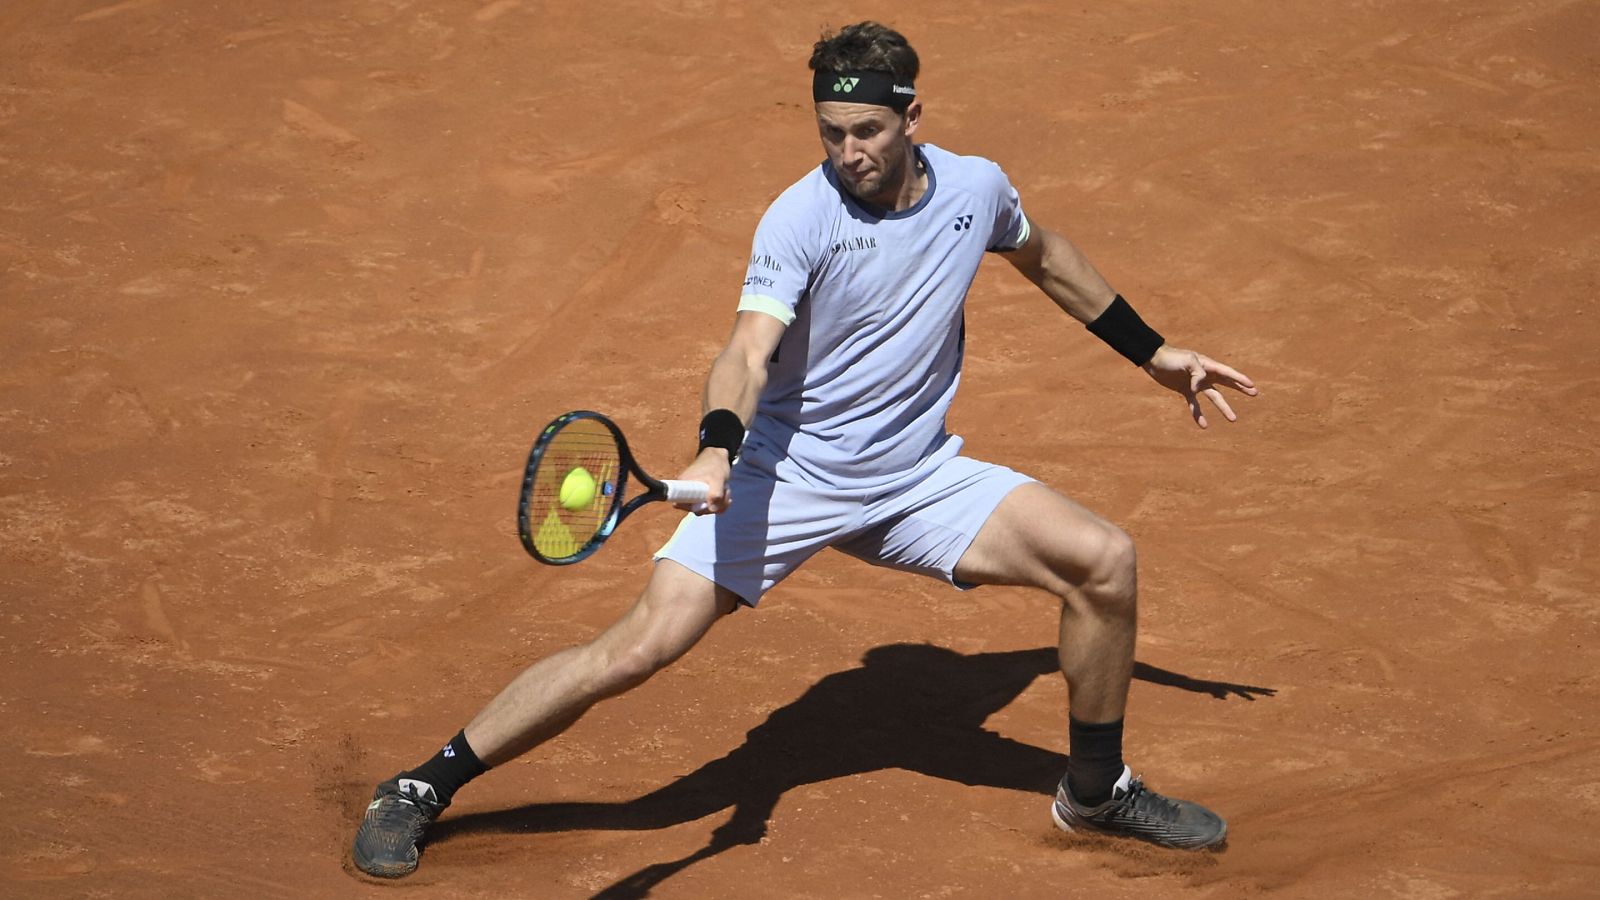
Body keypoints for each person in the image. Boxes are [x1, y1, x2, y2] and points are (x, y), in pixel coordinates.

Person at [352, 20, 1258, 878]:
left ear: (913, 117)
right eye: (830, 132)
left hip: (915, 478)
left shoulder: (977, 189)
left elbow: (1045, 254)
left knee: (1103, 562)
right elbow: (747, 351)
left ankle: (1096, 792)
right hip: (786, 478)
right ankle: (423, 783)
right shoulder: (800, 218)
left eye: (866, 130)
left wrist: (1155, 352)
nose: (847, 154)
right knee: (635, 650)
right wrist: (715, 453)